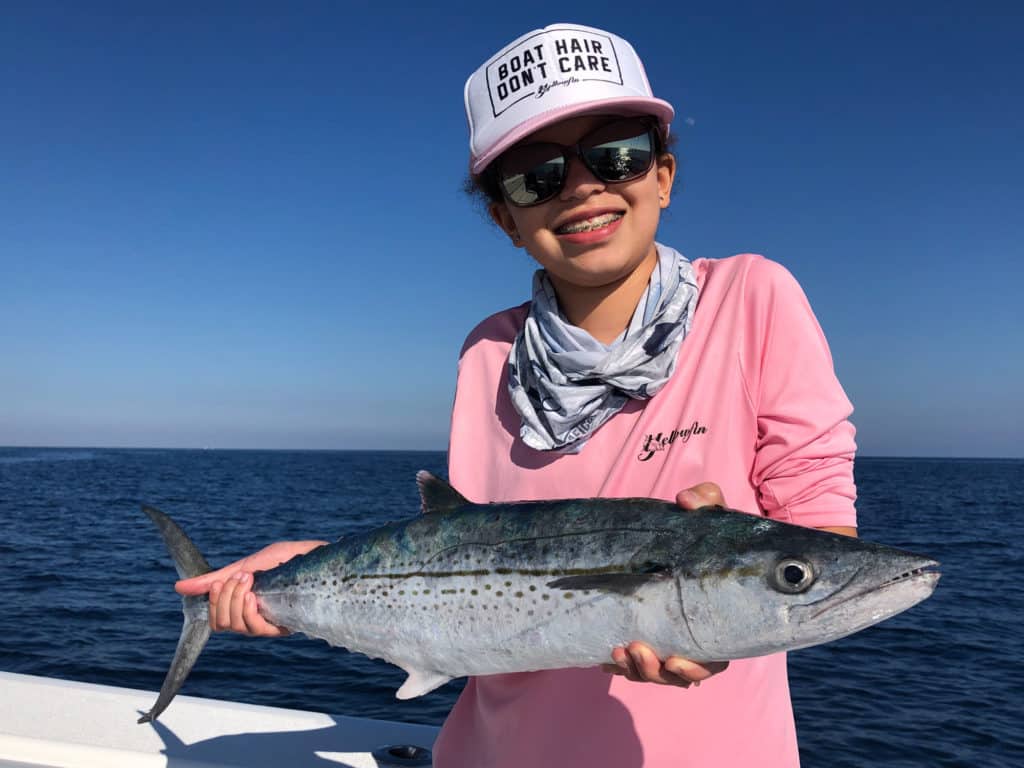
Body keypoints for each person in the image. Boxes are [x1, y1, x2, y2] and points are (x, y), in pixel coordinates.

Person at [177, 22, 858, 767]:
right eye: (537, 175)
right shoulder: (488, 350)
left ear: (662, 173)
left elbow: (820, 542)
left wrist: (715, 626)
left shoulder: (753, 298)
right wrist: (300, 571)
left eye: (616, 153)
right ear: (506, 218)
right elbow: (464, 548)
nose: (582, 186)